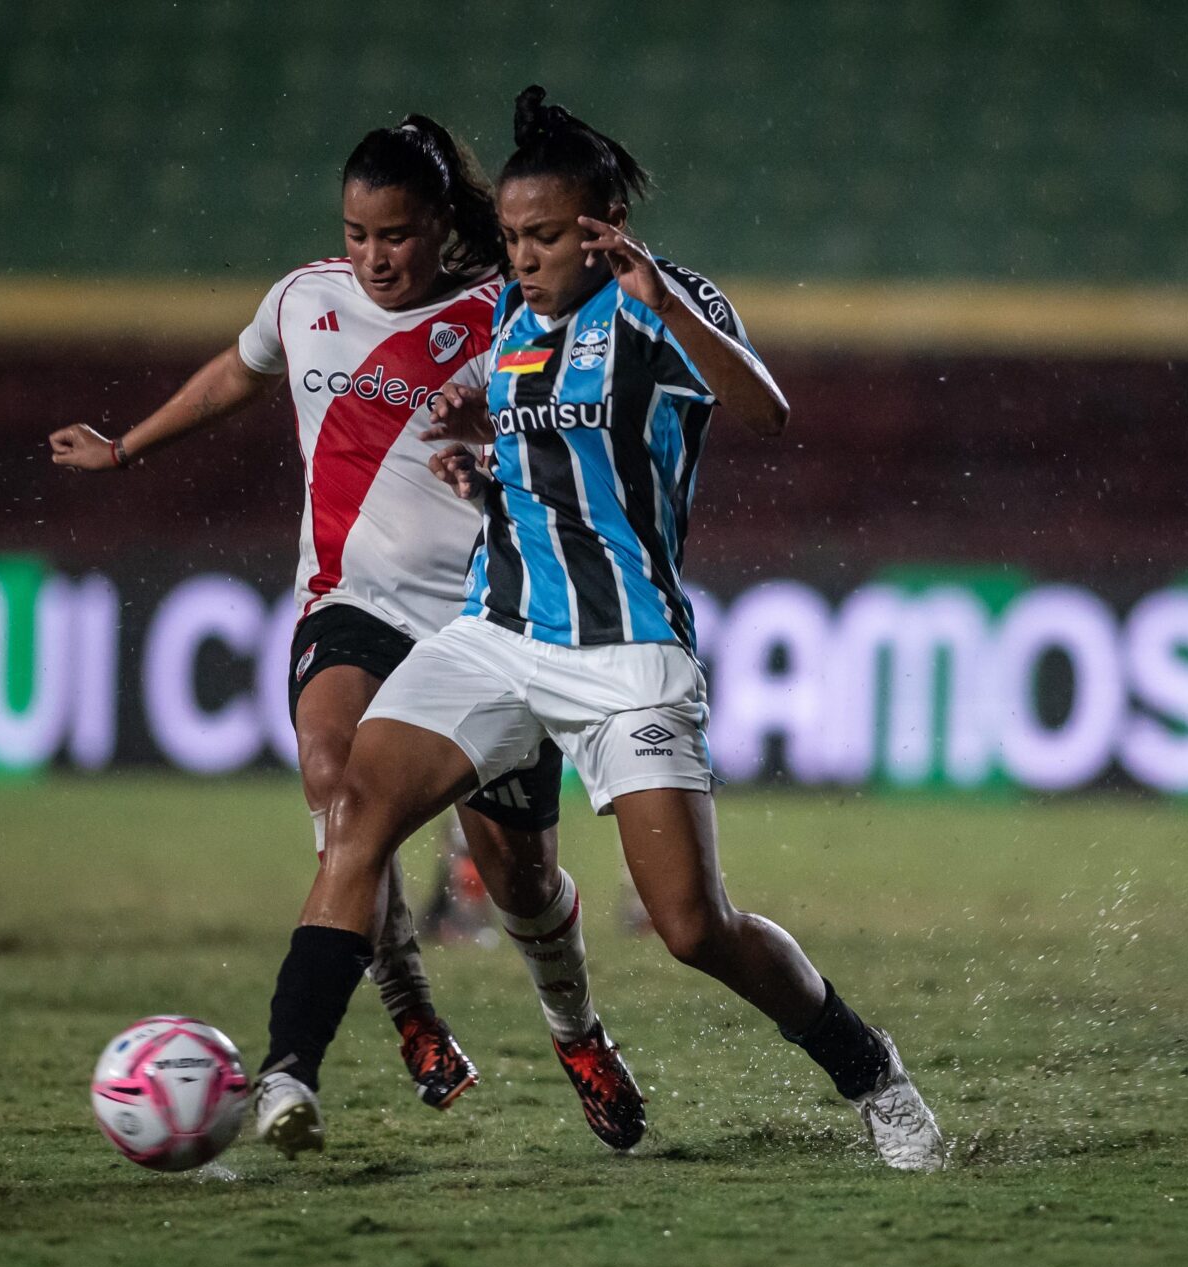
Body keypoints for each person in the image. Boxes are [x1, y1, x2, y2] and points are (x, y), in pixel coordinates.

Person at [252, 87, 944, 1171]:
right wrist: (483, 453)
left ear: (604, 220)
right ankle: (288, 1072)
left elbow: (766, 412)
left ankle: (873, 1072)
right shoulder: (512, 321)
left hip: (626, 653)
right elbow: (542, 454)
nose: (521, 257)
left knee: (691, 926)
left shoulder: (658, 308)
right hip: (497, 632)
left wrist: (665, 299)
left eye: (544, 237)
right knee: (355, 811)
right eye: (514, 238)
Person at [48, 115, 641, 1150]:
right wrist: (128, 448)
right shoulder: (303, 299)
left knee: (522, 880)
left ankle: (575, 1029)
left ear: (441, 226)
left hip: (486, 621)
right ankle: (405, 1013)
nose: (374, 257)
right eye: (358, 235)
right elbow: (239, 371)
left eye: (398, 236)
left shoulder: (505, 310)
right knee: (338, 798)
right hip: (349, 605)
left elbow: (574, 414)